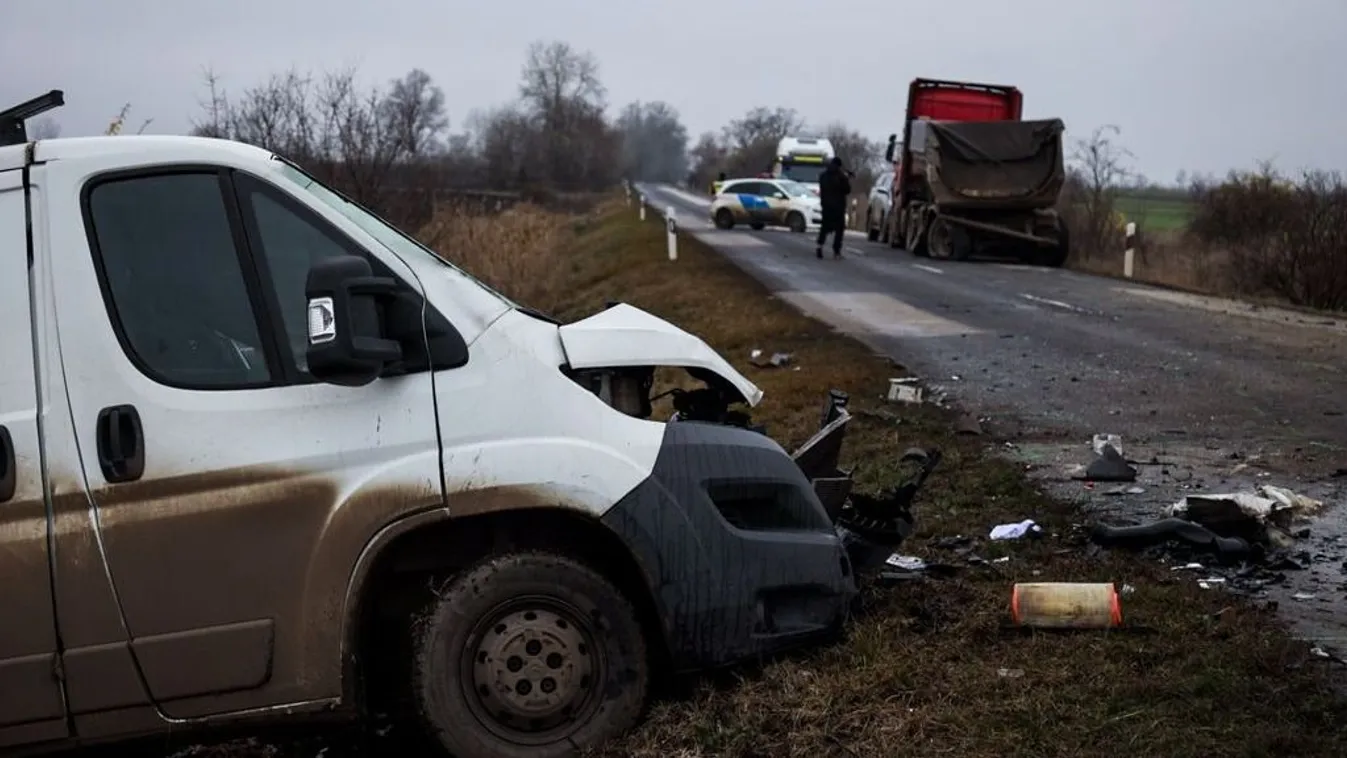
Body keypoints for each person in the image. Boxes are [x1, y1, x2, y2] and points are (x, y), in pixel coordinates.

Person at [816, 156, 851, 259]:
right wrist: (847, 178)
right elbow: (847, 190)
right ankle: (836, 252)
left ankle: (819, 246)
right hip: (838, 207)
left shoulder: (823, 176)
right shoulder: (841, 176)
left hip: (826, 206)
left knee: (824, 227)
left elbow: (822, 190)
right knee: (839, 230)